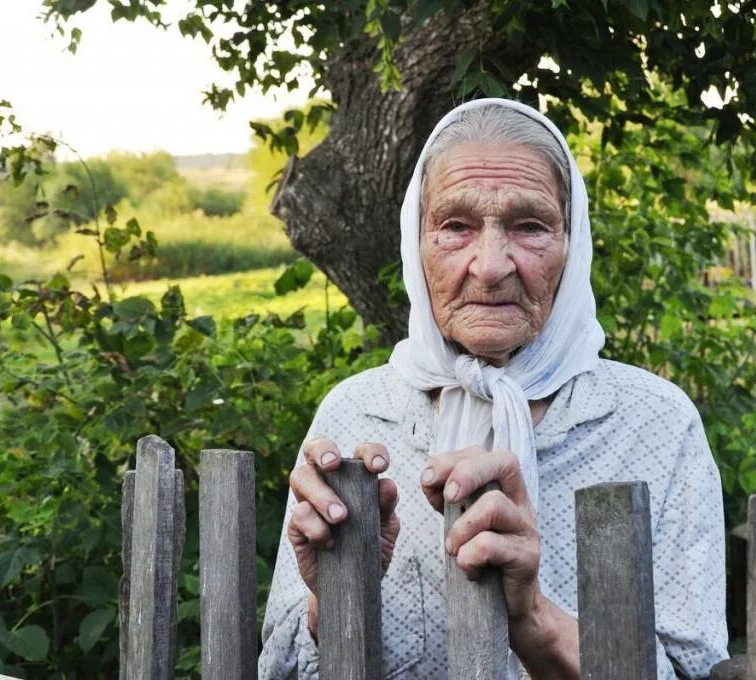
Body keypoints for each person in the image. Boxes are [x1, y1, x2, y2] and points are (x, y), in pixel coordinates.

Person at [259, 98, 728, 679]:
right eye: (455, 226)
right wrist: (332, 593)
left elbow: (694, 670)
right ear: (416, 243)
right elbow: (277, 667)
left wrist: (533, 618)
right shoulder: (357, 414)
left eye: (529, 225)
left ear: (571, 243)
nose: (489, 266)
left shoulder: (654, 423)